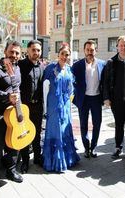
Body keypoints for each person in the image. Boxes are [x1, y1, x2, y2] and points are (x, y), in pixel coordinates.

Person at [0, 40, 23, 191]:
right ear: (5, 52)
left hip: (15, 114)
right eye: (11, 52)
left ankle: (11, 170)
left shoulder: (17, 68)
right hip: (0, 115)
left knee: (14, 145)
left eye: (17, 53)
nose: (14, 55)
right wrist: (7, 96)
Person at [42, 43, 80, 172]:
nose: (65, 56)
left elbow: (71, 88)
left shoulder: (69, 69)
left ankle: (67, 159)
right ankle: (54, 160)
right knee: (55, 129)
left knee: (65, 129)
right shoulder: (50, 68)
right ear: (58, 55)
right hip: (53, 105)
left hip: (66, 105)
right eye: (62, 54)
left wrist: (70, 97)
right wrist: (45, 108)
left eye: (67, 54)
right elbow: (43, 86)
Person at [71, 40, 106, 158]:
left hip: (96, 98)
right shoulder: (77, 65)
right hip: (83, 99)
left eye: (92, 50)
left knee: (97, 124)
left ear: (96, 50)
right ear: (84, 51)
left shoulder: (103, 64)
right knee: (83, 125)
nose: (90, 52)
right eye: (88, 50)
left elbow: (105, 83)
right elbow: (71, 82)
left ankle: (94, 147)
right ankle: (86, 148)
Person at [18, 40, 44, 173]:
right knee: (24, 134)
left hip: (38, 107)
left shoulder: (41, 66)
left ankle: (38, 158)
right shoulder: (20, 65)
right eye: (33, 50)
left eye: (38, 50)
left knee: (37, 133)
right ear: (27, 50)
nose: (36, 53)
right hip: (24, 107)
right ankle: (25, 162)